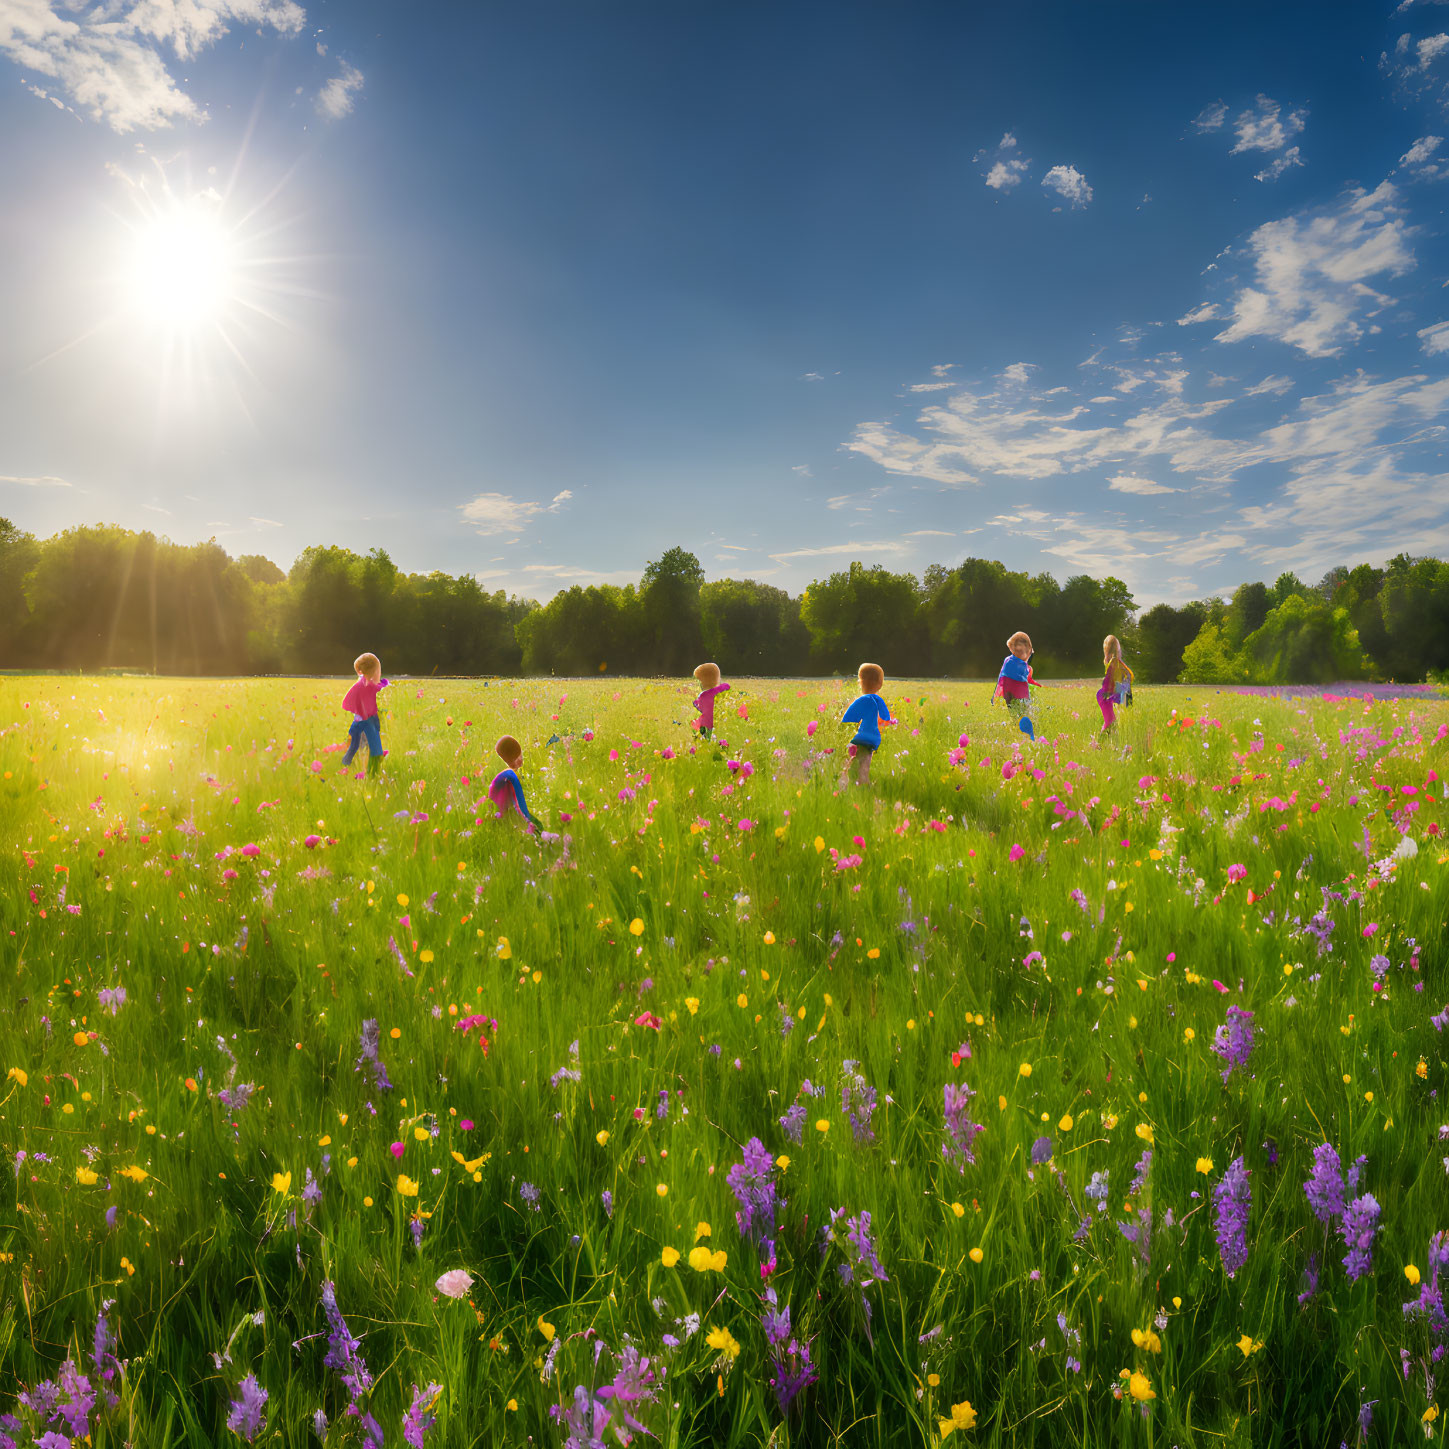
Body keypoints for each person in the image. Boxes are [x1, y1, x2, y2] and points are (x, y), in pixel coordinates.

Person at [841, 662, 892, 785]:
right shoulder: (878, 701)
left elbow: (847, 718)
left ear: (860, 682)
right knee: (864, 764)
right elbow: (886, 717)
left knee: (850, 761)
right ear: (880, 685)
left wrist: (843, 726)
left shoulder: (861, 700)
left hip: (859, 738)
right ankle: (864, 784)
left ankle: (852, 783)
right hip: (872, 739)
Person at [340, 653, 389, 774]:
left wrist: (384, 684)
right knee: (369, 746)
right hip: (364, 722)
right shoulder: (361, 686)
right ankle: (372, 772)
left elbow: (376, 687)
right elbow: (346, 702)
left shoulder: (366, 684)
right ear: (374, 672)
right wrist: (362, 713)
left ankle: (347, 762)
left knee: (356, 744)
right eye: (378, 671)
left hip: (363, 721)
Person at [487, 735, 541, 829]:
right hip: (504, 819)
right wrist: (531, 823)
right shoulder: (510, 775)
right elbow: (520, 805)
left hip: (498, 817)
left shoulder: (506, 775)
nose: (521, 758)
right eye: (519, 755)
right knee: (538, 826)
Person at [995, 631, 1042, 739]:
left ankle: (1018, 727)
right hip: (1019, 695)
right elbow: (1025, 678)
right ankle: (1027, 731)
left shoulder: (1007, 660)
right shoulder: (1024, 666)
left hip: (1008, 694)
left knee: (1014, 713)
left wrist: (997, 694)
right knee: (1025, 711)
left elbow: (1002, 679)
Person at [1098, 635, 1129, 731]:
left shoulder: (1115, 664)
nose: (1121, 653)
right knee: (1111, 724)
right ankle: (1099, 744)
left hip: (1106, 697)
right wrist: (1123, 700)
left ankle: (1099, 744)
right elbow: (1113, 685)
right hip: (1107, 697)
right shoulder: (1115, 664)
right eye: (1119, 650)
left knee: (1110, 723)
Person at [692, 662, 730, 740]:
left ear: (704, 682)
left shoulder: (703, 696)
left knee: (695, 726)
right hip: (720, 721)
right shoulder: (724, 688)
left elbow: (701, 708)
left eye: (700, 681)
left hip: (706, 723)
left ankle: (702, 739)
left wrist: (695, 703)